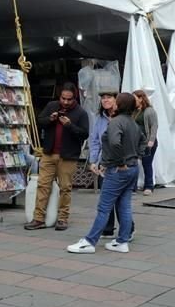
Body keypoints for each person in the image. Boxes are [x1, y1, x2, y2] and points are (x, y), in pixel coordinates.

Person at [67, 92, 144, 254]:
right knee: (124, 205)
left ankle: (89, 241)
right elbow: (144, 143)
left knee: (104, 207)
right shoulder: (133, 122)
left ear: (119, 104)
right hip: (132, 168)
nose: (111, 102)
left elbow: (115, 143)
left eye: (115, 100)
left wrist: (118, 162)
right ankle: (122, 240)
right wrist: (134, 156)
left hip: (118, 170)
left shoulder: (116, 122)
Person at [25, 83, 89, 231]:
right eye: (63, 98)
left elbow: (85, 133)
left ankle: (62, 218)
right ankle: (38, 218)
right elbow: (39, 121)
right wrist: (50, 119)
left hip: (67, 157)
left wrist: (70, 126)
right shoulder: (52, 106)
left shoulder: (81, 113)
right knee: (43, 185)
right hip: (48, 153)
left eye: (69, 99)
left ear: (75, 98)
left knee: (65, 188)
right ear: (59, 96)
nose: (65, 102)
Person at [88, 89, 132, 238]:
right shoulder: (99, 118)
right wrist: (93, 160)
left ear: (116, 100)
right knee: (106, 198)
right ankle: (108, 227)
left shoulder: (123, 118)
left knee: (121, 200)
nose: (105, 100)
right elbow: (94, 140)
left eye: (109, 98)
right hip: (103, 162)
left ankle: (128, 229)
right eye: (103, 98)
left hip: (120, 164)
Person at [133, 90, 158, 195]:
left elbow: (154, 126)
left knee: (146, 163)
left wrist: (151, 140)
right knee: (133, 163)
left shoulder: (149, 111)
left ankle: (149, 186)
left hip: (147, 141)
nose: (133, 101)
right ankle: (132, 187)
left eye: (135, 98)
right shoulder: (134, 111)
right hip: (136, 142)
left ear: (141, 98)